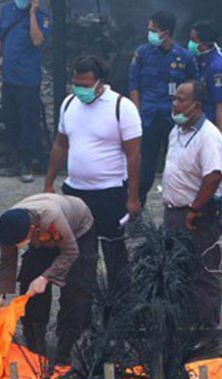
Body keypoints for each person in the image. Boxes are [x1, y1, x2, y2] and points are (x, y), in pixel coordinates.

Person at [44, 56, 142, 286]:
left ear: (100, 83)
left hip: (109, 192)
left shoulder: (122, 107)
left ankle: (121, 301)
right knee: (75, 249)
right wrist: (49, 182)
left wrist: (133, 198)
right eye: (76, 84)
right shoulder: (69, 104)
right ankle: (82, 302)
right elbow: (60, 144)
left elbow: (134, 155)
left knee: (113, 248)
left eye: (85, 85)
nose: (80, 90)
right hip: (74, 190)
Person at [0, 194, 97, 363]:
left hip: (78, 233)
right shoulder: (8, 228)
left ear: (31, 229)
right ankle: (36, 343)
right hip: (41, 239)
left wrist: (45, 277)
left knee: (76, 288)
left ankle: (67, 346)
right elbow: (7, 261)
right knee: (30, 281)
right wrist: (0, 295)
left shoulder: (51, 219)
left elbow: (70, 252)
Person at [162, 80, 222, 327]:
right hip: (172, 212)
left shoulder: (209, 136)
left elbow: (214, 175)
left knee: (202, 273)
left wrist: (195, 208)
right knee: (176, 270)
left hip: (197, 216)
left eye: (181, 100)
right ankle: (183, 326)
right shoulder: (176, 131)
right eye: (174, 98)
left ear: (195, 105)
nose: (175, 104)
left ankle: (206, 333)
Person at [129, 10, 197, 204]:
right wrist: (136, 115)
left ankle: (177, 207)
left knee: (177, 166)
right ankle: (136, 209)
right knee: (145, 169)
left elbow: (192, 89)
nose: (149, 33)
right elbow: (134, 86)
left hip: (173, 120)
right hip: (148, 118)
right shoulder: (142, 54)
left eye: (153, 30)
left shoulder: (184, 57)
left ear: (165, 33)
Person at [0, 0, 51, 183]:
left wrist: (32, 13)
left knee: (28, 123)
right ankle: (13, 161)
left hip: (28, 80)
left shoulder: (43, 15)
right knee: (11, 121)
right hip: (9, 78)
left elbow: (37, 40)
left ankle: (27, 163)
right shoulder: (7, 10)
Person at [188, 21, 222, 130]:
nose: (190, 44)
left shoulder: (216, 67)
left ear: (205, 44)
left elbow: (220, 106)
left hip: (211, 124)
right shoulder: (197, 59)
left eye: (194, 41)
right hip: (196, 121)